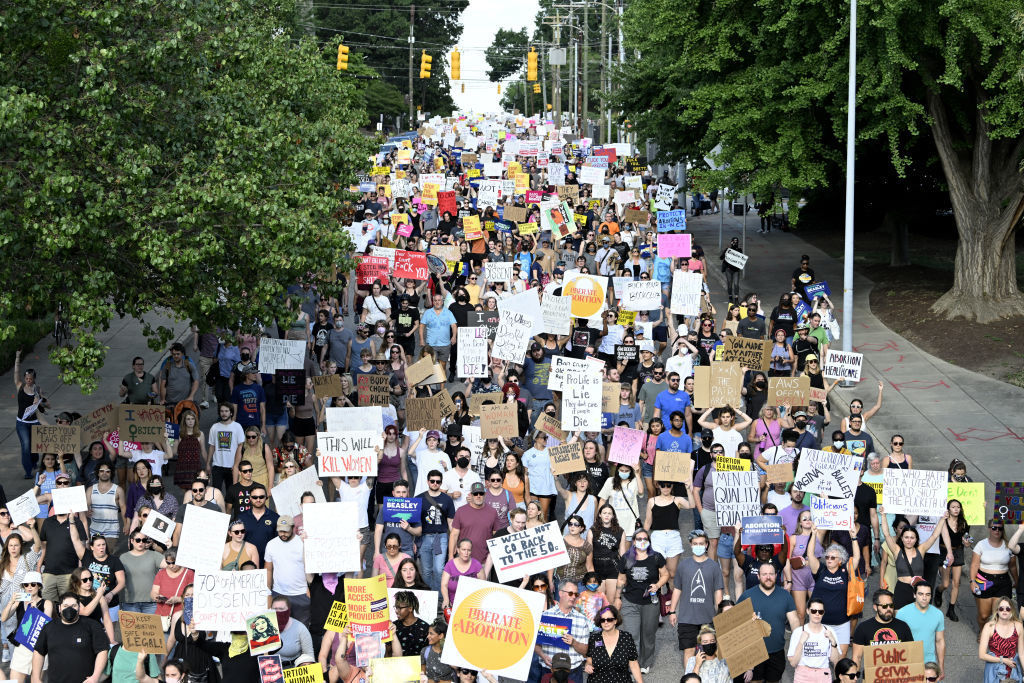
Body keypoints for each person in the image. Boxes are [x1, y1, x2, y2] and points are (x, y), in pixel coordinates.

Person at [615, 529, 667, 674]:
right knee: (632, 635)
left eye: (645, 538)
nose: (642, 541)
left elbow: (665, 574)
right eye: (639, 539)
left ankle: (646, 662)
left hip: (650, 603)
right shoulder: (627, 558)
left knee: (648, 635)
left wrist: (657, 585)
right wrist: (617, 598)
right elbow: (621, 579)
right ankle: (633, 664)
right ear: (634, 541)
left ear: (649, 541)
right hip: (630, 602)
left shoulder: (656, 557)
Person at [669, 530, 724, 667]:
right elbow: (677, 589)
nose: (698, 546)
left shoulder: (714, 566)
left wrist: (720, 614)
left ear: (706, 545)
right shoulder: (683, 565)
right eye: (695, 543)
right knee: (689, 651)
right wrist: (672, 611)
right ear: (690, 545)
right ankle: (690, 678)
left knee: (710, 652)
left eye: (701, 543)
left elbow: (718, 591)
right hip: (687, 618)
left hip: (707, 618)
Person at [877, 506, 949, 609]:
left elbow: (934, 536)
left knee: (917, 620)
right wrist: (883, 515)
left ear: (916, 539)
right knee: (900, 619)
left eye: (912, 537)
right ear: (902, 539)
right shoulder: (897, 551)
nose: (909, 540)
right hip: (901, 589)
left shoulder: (921, 550)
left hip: (918, 591)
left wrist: (942, 519)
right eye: (906, 537)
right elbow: (887, 534)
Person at [739, 563, 800, 683]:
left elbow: (794, 621)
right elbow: (736, 623)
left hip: (777, 651)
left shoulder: (785, 596)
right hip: (753, 652)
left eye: (771, 574)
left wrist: (799, 643)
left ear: (776, 576)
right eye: (764, 574)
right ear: (758, 576)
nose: (768, 577)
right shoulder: (747, 595)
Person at [32, 592, 109, 683]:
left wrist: (95, 676)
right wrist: (36, 678)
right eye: (65, 606)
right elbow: (38, 652)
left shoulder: (92, 625)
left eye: (73, 605)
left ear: (79, 607)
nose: (69, 609)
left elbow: (102, 650)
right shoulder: (49, 627)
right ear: (59, 608)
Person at [849, 589, 915, 668]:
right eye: (884, 606)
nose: (888, 609)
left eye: (891, 605)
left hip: (898, 675)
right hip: (873, 676)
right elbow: (857, 657)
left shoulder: (903, 626)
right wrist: (854, 676)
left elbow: (911, 655)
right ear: (875, 607)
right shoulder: (863, 628)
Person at [264, 516, 310, 626]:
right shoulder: (271, 544)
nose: (283, 534)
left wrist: (309, 589)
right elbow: (268, 570)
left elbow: (310, 568)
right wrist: (267, 592)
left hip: (301, 594)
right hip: (279, 593)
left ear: (293, 528)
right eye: (280, 531)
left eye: (286, 531)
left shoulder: (302, 543)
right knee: (278, 628)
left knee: (301, 629)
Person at [969, 517, 1014, 627]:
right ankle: (982, 631)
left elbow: (1012, 566)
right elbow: (974, 564)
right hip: (984, 580)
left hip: (1003, 582)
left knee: (998, 615)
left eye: (1000, 528)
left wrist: (1016, 581)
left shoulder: (1009, 545)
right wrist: (972, 581)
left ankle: (994, 638)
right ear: (989, 529)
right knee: (984, 615)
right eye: (994, 528)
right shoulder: (981, 544)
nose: (997, 531)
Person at [895, 582, 945, 679]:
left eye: (928, 594)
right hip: (908, 663)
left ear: (931, 596)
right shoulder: (902, 613)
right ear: (914, 594)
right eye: (920, 594)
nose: (924, 598)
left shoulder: (938, 614)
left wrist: (941, 666)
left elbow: (940, 641)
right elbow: (897, 642)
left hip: (930, 665)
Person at [787, 597, 841, 681]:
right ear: (807, 611)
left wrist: (833, 641)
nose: (817, 614)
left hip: (823, 675)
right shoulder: (798, 632)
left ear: (823, 613)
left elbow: (835, 660)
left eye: (820, 611)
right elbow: (793, 663)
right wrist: (801, 642)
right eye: (813, 611)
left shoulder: (830, 631)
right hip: (803, 675)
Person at [585, 605, 642, 683]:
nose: (606, 622)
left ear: (615, 620)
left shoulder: (626, 638)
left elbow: (633, 664)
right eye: (603, 620)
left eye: (609, 619)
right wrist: (588, 665)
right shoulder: (594, 638)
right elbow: (589, 659)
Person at [979, 596, 1023, 682]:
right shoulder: (989, 627)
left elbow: (1022, 654)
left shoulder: (1018, 626)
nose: (1004, 611)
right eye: (1001, 608)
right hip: (994, 670)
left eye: (1008, 608)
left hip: (1012, 669)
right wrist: (1003, 660)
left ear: (1012, 611)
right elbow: (982, 655)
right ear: (997, 610)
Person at [236, 484, 280, 562]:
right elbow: (235, 542)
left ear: (266, 497)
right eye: (255, 497)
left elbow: (279, 543)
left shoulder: (275, 518)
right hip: (246, 562)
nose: (258, 499)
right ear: (250, 498)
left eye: (261, 497)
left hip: (269, 562)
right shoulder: (241, 518)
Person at [392, 591, 431, 658]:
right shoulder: (393, 627)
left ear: (410, 608)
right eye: (396, 607)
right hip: (397, 666)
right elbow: (388, 653)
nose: (396, 611)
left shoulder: (425, 627)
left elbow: (428, 655)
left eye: (400, 608)